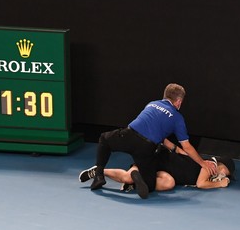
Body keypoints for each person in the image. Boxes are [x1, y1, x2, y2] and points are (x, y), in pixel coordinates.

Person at [77, 83, 216, 199]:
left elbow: (146, 126)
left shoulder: (152, 104)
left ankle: (99, 172)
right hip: (146, 148)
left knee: (104, 139)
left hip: (130, 135)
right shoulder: (177, 117)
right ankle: (115, 175)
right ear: (179, 102)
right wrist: (202, 163)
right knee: (149, 185)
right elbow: (186, 146)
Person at [107, 150, 236, 192]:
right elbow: (201, 183)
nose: (223, 175)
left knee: (169, 183)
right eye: (224, 171)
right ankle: (99, 171)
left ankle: (136, 182)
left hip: (165, 172)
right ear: (219, 164)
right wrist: (219, 184)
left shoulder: (209, 170)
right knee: (128, 177)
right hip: (158, 160)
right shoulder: (210, 164)